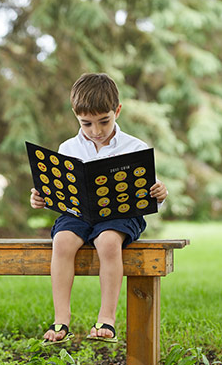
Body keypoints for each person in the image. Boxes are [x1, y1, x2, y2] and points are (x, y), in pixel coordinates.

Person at [30, 73, 168, 344]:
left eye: (104, 121)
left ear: (117, 110)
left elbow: (151, 192)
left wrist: (160, 193)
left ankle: (107, 319)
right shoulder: (67, 148)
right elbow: (60, 190)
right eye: (87, 123)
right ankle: (61, 320)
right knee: (62, 241)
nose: (96, 130)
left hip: (120, 214)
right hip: (78, 213)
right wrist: (42, 198)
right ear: (75, 116)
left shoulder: (134, 147)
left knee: (107, 242)